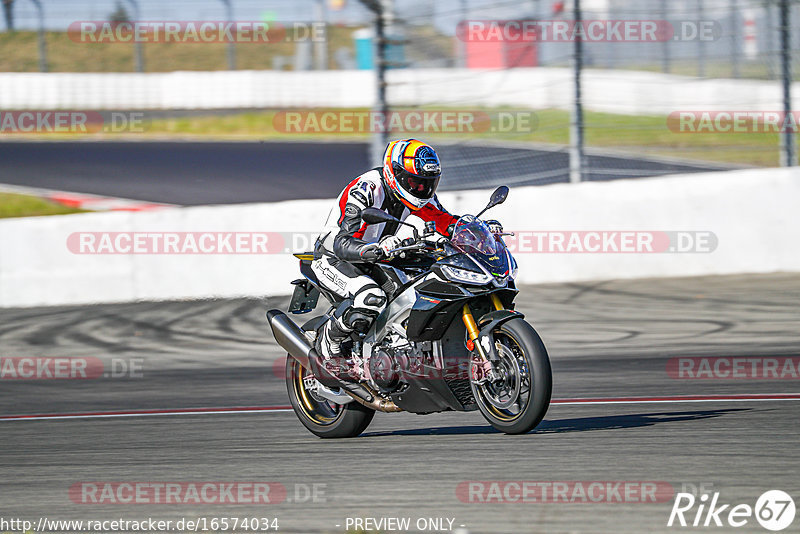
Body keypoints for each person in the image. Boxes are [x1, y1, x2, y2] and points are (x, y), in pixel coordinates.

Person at [311, 139, 459, 374]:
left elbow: (446, 221)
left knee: (419, 287)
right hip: (336, 258)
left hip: (378, 257)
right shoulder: (366, 189)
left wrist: (474, 229)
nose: (421, 189)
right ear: (396, 174)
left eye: (427, 184)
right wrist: (372, 249)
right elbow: (342, 241)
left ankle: (400, 350)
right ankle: (330, 342)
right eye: (414, 182)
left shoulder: (418, 195)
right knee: (371, 298)